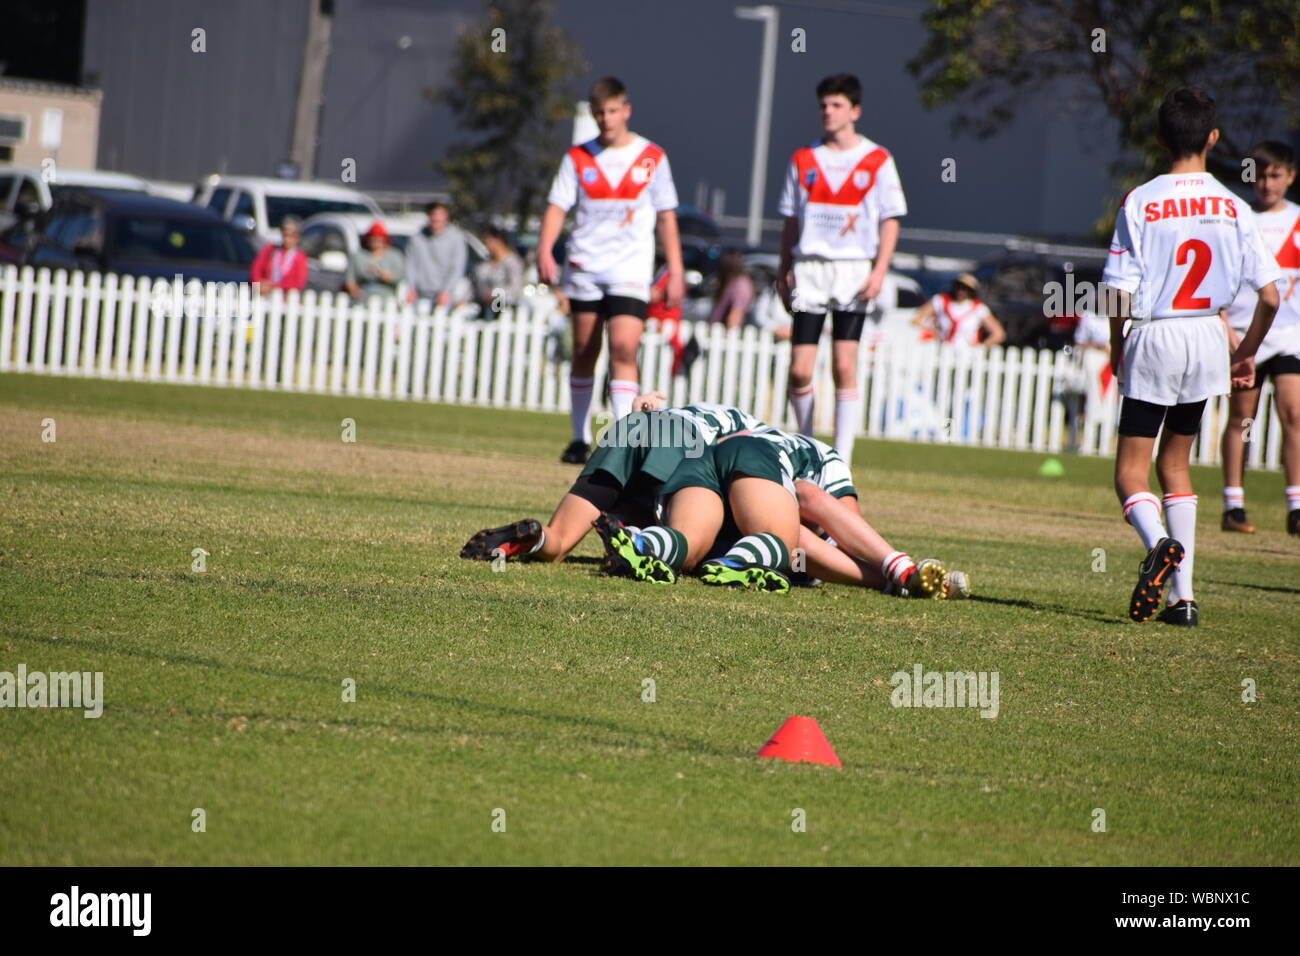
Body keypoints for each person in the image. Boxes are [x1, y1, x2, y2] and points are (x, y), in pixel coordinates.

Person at [1102, 88, 1281, 628]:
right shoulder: (1234, 206)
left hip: (1156, 334)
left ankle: (1158, 544)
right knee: (1176, 465)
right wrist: (1245, 353)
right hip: (1206, 336)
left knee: (1130, 474)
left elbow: (1117, 292)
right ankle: (1183, 601)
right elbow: (1271, 296)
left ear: (1160, 138)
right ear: (1213, 138)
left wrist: (1117, 343)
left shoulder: (1140, 200)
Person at [536, 76, 684, 465]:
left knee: (623, 347)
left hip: (630, 269)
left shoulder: (652, 157)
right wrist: (544, 249)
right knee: (584, 350)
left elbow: (666, 217)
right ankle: (578, 437)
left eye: (613, 111)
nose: (606, 119)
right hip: (585, 267)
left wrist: (676, 269)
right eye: (599, 112)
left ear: (626, 110)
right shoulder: (577, 157)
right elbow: (557, 207)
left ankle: (623, 439)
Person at [777, 73, 907, 465]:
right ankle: (805, 449)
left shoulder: (877, 159)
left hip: (853, 270)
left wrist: (879, 270)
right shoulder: (803, 158)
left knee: (843, 364)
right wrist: (784, 268)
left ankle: (841, 461)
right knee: (800, 370)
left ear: (855, 111)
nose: (828, 112)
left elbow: (890, 218)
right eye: (823, 105)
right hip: (810, 270)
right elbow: (790, 220)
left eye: (836, 105)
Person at [1218, 141, 1300, 536]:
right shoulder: (1239, 220)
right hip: (1245, 336)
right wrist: (1226, 328)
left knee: (1294, 413)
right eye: (1261, 175)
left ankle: (1296, 506)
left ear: (1290, 176)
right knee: (1242, 417)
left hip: (1288, 335)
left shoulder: (1297, 220)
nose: (1267, 183)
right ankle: (1233, 504)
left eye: (1275, 175)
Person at [912, 273, 1006, 348]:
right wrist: (931, 331)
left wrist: (981, 347)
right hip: (941, 349)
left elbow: (998, 334)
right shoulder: (941, 300)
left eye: (966, 289)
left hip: (966, 353)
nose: (961, 291)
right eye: (959, 287)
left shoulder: (979, 308)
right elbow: (917, 318)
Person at [405, 201, 469, 308]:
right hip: (420, 294)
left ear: (446, 217)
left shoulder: (456, 238)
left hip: (445, 296)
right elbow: (410, 265)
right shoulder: (417, 238)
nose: (436, 218)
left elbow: (457, 267)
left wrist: (446, 291)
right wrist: (411, 287)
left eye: (440, 214)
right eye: (433, 214)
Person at [344, 221, 404, 301]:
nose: (375, 241)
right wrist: (355, 292)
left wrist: (384, 276)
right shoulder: (358, 256)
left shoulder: (395, 256)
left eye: (379, 239)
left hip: (386, 298)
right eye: (373, 238)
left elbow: (401, 277)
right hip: (363, 296)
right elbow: (350, 280)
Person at [472, 226, 524, 318]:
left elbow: (515, 288)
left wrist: (495, 294)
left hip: (506, 308)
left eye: (489, 242)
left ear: (499, 240)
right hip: (484, 306)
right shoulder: (485, 264)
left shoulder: (512, 262)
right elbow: (477, 285)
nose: (487, 246)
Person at [249, 214, 307, 293]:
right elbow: (255, 271)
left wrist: (274, 286)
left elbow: (298, 283)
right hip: (262, 294)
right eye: (285, 235)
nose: (287, 240)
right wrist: (259, 284)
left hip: (284, 296)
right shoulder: (269, 250)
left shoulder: (300, 257)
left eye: (291, 236)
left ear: (297, 238)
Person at [709, 249, 755, 330]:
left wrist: (729, 331)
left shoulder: (741, 285)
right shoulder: (731, 282)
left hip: (725, 332)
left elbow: (735, 315)